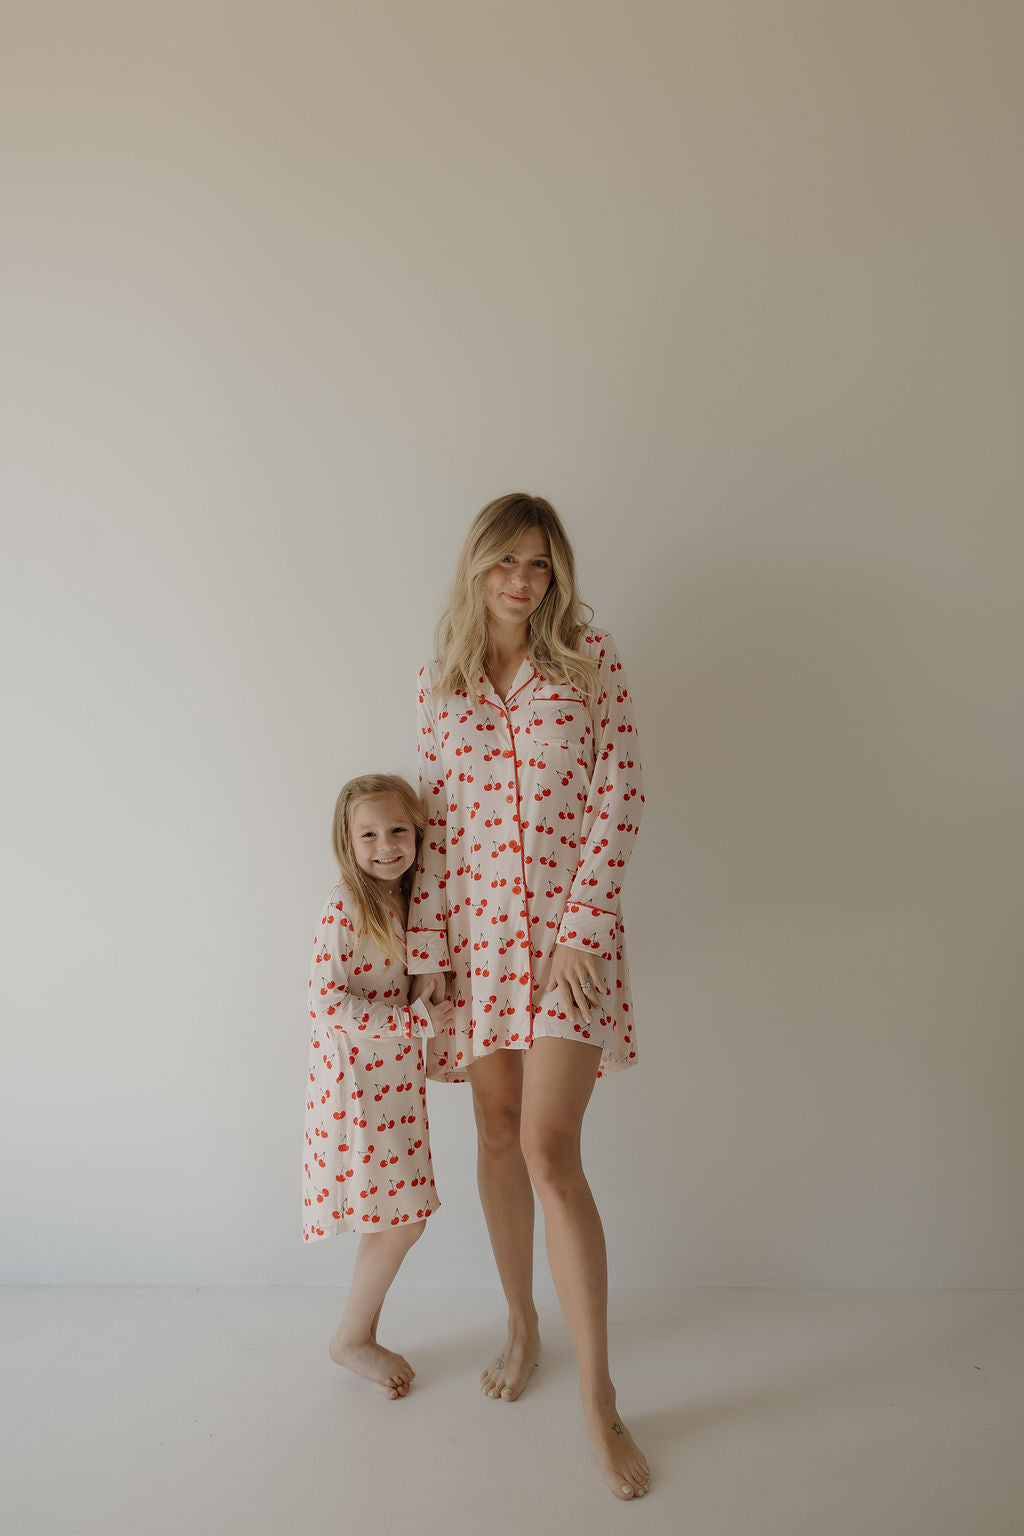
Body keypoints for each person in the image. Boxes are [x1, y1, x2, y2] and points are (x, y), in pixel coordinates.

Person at [408, 494, 650, 1499]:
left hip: (569, 950)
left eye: (540, 565)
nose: (522, 580)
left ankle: (600, 1400)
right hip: (475, 946)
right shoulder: (441, 680)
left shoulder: (588, 661)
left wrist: (580, 928)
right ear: (476, 567)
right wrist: (427, 950)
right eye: (506, 561)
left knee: (552, 1150)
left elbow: (622, 787)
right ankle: (522, 1319)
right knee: (498, 1132)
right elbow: (429, 819)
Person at [303, 773, 454, 1398]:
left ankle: (359, 1332)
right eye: (369, 834)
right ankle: (352, 1337)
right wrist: (411, 1022)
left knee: (397, 1215)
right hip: (358, 1087)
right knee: (403, 1218)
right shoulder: (347, 905)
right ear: (348, 841)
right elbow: (326, 1004)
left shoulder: (411, 900)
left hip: (394, 1083)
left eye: (398, 830)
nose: (386, 845)